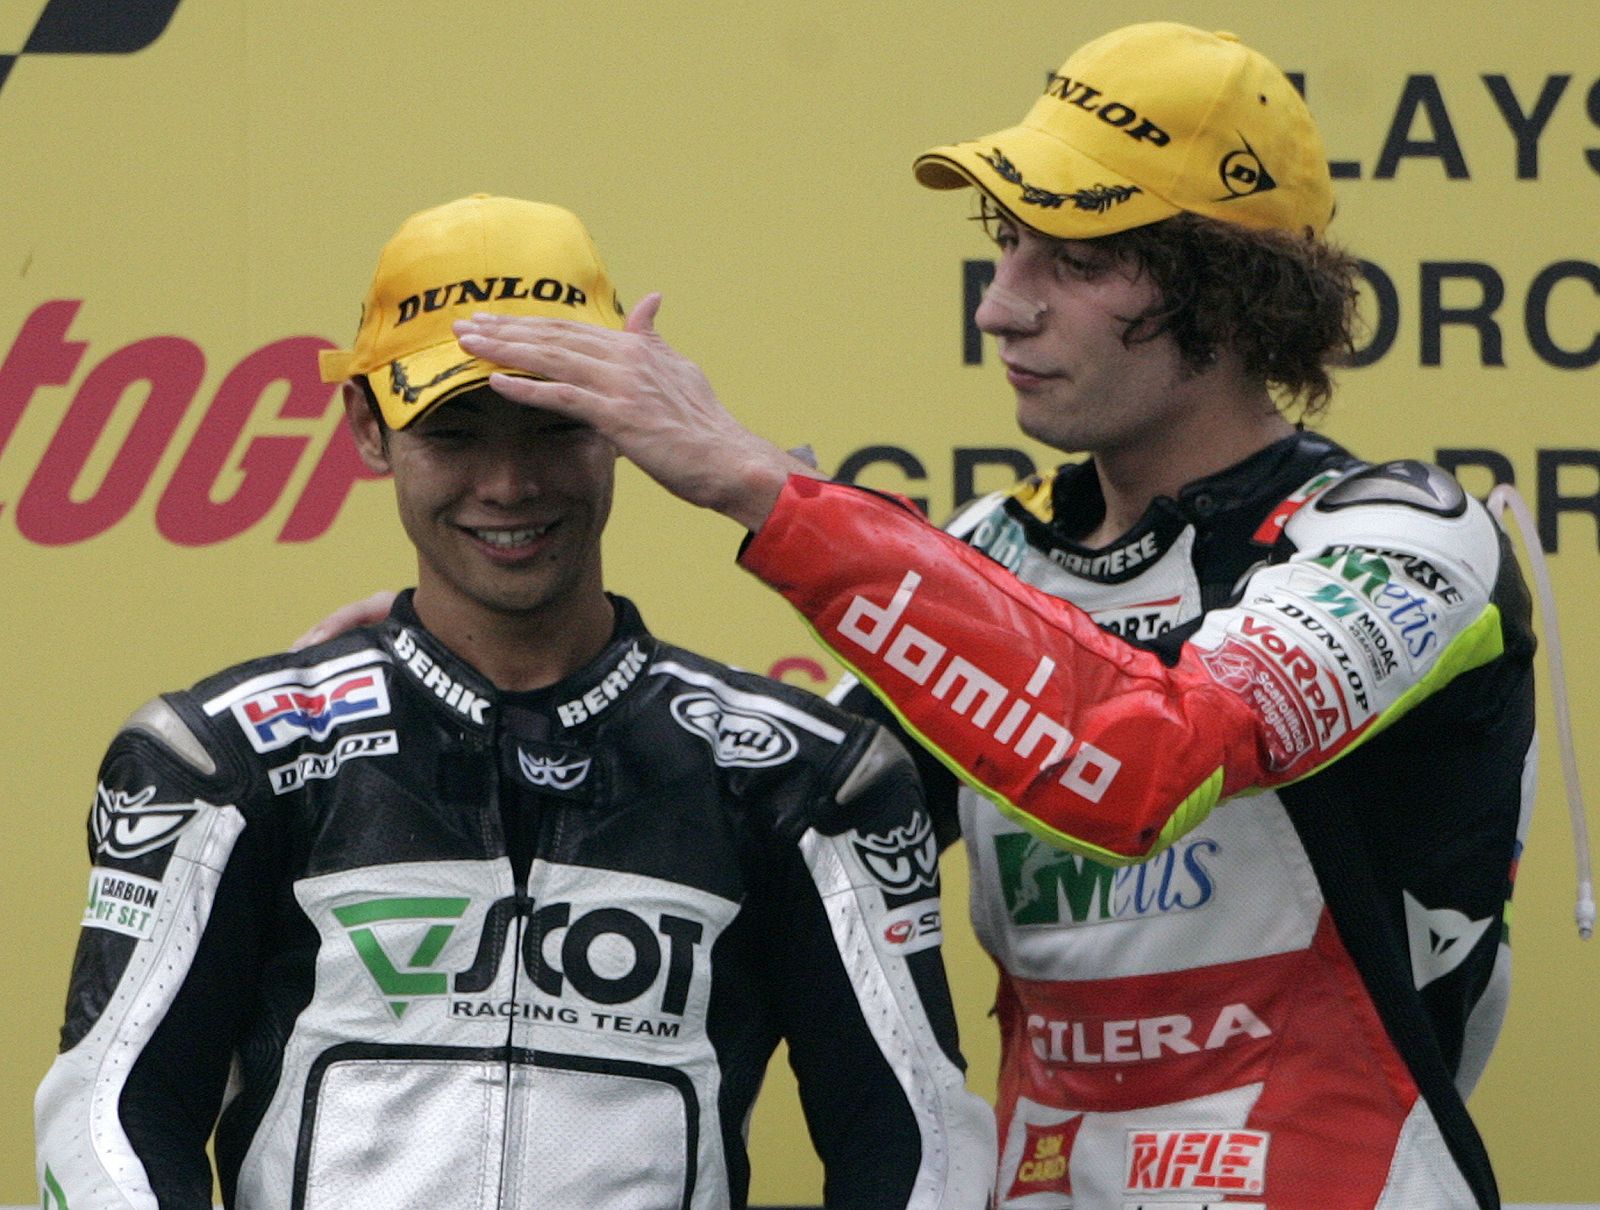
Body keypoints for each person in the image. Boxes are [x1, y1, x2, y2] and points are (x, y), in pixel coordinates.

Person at [434, 24, 1538, 1210]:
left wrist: (762, 488)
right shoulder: (995, 549)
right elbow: (793, 821)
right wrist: (456, 687)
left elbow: (1145, 762)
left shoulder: (1401, 539)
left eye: (1071, 260)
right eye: (1007, 246)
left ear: (1231, 287)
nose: (1001, 309)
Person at [33, 194, 996, 1210]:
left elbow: (916, 1144)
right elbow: (109, 1121)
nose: (506, 482)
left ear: (622, 423)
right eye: (452, 432)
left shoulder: (800, 777)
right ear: (368, 425)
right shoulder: (218, 760)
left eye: (552, 427)